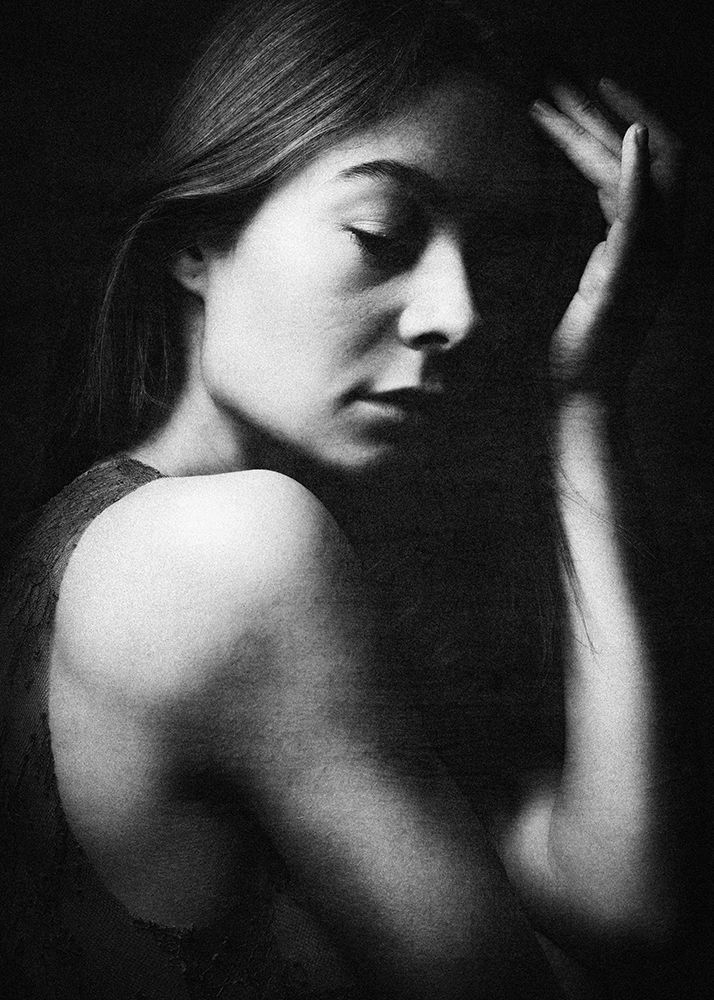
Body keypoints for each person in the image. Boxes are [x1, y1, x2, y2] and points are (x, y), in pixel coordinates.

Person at [0, 1, 696, 997]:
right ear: (197, 240)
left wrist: (585, 396)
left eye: (489, 256)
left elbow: (615, 897)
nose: (458, 314)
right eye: (382, 234)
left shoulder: (106, 533)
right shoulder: (221, 551)